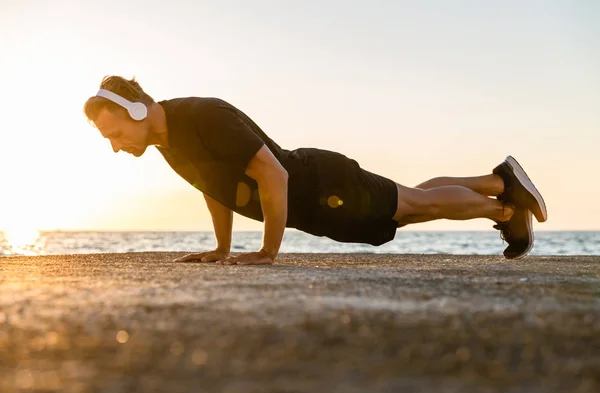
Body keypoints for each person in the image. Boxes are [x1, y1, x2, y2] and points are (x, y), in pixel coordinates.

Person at [83, 76, 547, 265]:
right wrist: (222, 248)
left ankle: (507, 207)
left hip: (324, 184)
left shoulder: (202, 116)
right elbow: (213, 187)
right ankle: (498, 182)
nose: (115, 147)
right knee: (408, 203)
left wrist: (267, 252)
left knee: (416, 204)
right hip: (319, 204)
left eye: (114, 133)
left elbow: (274, 175)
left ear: (137, 112)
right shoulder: (169, 140)